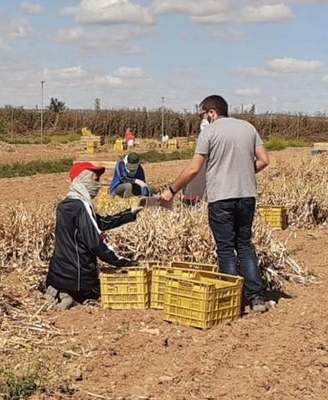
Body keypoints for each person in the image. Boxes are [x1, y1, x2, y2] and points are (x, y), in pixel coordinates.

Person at [158, 94, 270, 313]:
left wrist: (172, 190)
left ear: (212, 112)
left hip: (221, 197)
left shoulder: (209, 132)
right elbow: (264, 160)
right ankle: (257, 298)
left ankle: (230, 299)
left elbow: (193, 169)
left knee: (226, 249)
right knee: (245, 245)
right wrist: (245, 172)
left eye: (202, 114)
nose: (203, 118)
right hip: (247, 195)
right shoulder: (248, 128)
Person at [44, 162, 142, 309]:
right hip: (78, 278)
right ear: (83, 179)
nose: (98, 184)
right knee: (97, 290)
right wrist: (124, 262)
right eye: (95, 179)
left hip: (58, 275)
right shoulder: (81, 206)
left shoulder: (65, 204)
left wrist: (129, 213)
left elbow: (99, 222)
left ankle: (59, 291)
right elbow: (96, 242)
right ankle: (70, 294)